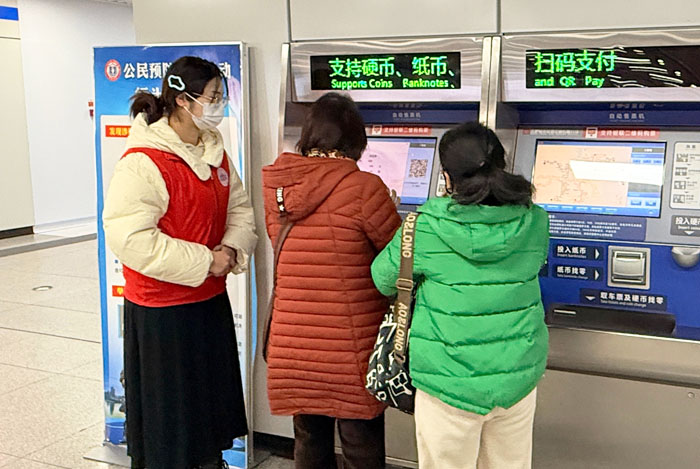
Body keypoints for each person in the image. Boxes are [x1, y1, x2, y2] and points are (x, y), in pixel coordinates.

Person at [102, 56, 257, 469]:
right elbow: (131, 238)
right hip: (163, 313)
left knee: (207, 411)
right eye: (213, 96)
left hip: (208, 303)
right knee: (171, 422)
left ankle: (210, 461)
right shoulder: (144, 159)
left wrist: (231, 250)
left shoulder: (213, 152)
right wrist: (206, 261)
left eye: (221, 96)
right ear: (184, 100)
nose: (219, 105)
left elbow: (240, 209)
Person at [371, 122, 550, 469]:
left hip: (447, 380)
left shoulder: (425, 226)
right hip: (516, 377)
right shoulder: (535, 221)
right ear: (501, 166)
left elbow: (383, 279)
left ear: (447, 178)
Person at [262, 92, 401, 469]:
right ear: (355, 139)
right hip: (349, 347)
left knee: (309, 439)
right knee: (360, 443)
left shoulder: (279, 188)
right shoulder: (365, 188)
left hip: (294, 344)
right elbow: (396, 259)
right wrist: (390, 207)